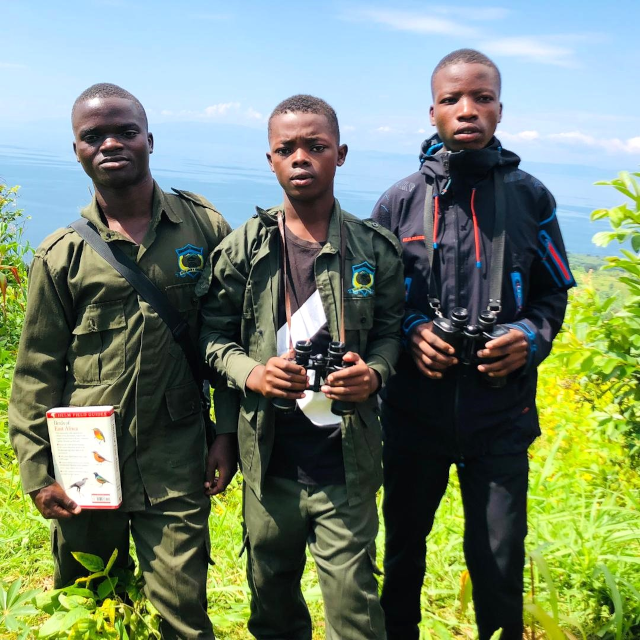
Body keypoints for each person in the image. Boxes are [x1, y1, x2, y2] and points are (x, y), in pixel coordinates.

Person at [9, 83, 237, 640]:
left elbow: (231, 337)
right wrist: (39, 475)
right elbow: (37, 370)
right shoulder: (63, 254)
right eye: (93, 136)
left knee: (183, 617)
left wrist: (226, 434)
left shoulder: (204, 228)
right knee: (87, 605)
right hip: (85, 460)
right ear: (78, 151)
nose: (111, 143)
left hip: (177, 455)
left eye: (125, 131)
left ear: (150, 140)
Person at [372, 49, 575, 640]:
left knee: (499, 558)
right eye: (453, 99)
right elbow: (373, 305)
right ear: (432, 111)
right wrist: (412, 331)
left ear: (500, 110)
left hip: (501, 415)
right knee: (403, 551)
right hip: (413, 414)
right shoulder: (399, 200)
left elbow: (552, 295)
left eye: (482, 98)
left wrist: (528, 338)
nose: (468, 109)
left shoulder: (530, 197)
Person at [199, 94, 405, 640]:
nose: (300, 158)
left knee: (355, 608)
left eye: (315, 146)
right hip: (269, 461)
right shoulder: (244, 249)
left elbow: (390, 333)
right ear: (270, 160)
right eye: (285, 148)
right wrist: (254, 373)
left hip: (346, 461)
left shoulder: (372, 249)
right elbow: (211, 336)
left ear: (340, 153)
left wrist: (376, 373)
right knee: (272, 603)